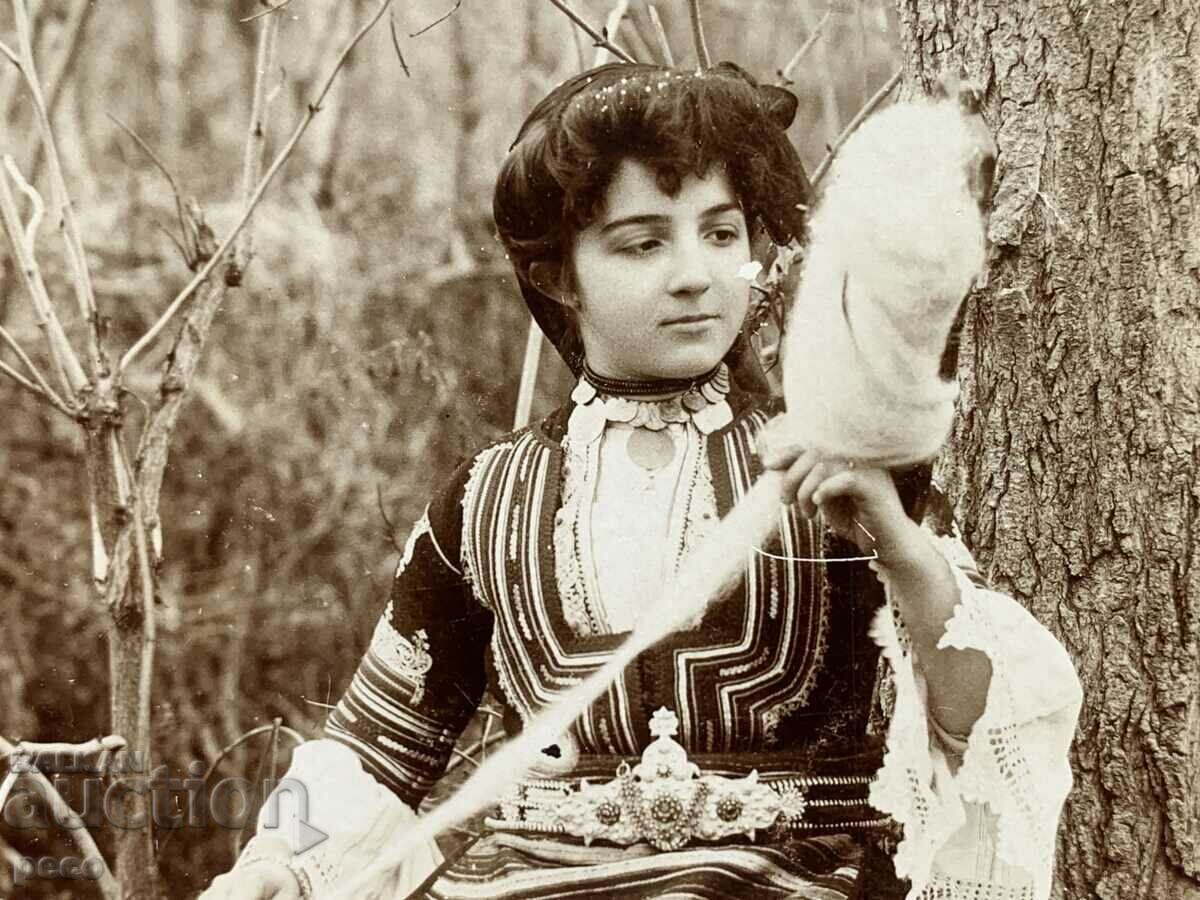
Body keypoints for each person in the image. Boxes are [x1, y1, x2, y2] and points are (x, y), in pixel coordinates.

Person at [202, 62, 1082, 900]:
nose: (695, 275)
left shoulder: (836, 469)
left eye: (722, 234)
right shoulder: (484, 501)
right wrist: (283, 865)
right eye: (642, 243)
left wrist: (897, 540)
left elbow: (978, 723)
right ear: (556, 275)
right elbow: (378, 747)